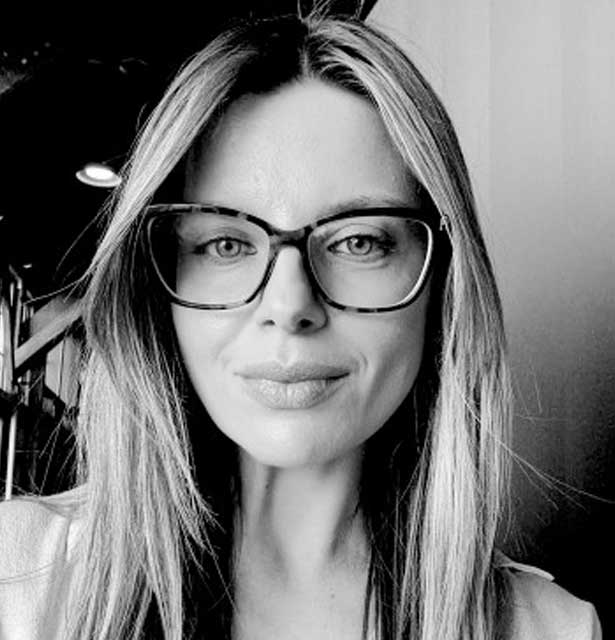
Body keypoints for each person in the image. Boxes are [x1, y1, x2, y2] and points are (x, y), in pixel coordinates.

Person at [0, 10, 601, 640]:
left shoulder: (553, 630)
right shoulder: (15, 585)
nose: (289, 305)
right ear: (158, 287)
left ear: (443, 282)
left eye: (359, 241)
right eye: (226, 244)